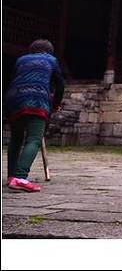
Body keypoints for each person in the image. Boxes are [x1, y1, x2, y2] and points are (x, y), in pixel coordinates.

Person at [5, 39, 64, 192]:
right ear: (49, 51)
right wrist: (55, 104)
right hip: (37, 100)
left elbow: (12, 79)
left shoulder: (21, 60)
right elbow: (60, 85)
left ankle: (11, 177)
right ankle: (20, 177)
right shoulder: (52, 60)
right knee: (33, 139)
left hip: (13, 99)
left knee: (16, 138)